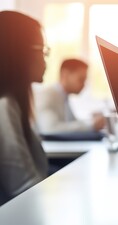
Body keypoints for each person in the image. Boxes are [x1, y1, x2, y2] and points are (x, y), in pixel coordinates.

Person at [0, 11, 48, 205]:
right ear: (18, 51)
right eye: (42, 50)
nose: (46, 59)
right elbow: (25, 188)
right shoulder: (4, 105)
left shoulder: (13, 102)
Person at [35, 58, 105, 134]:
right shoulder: (47, 95)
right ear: (66, 75)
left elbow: (72, 123)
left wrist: (92, 121)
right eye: (81, 79)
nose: (84, 85)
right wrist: (91, 125)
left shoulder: (63, 97)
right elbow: (50, 129)